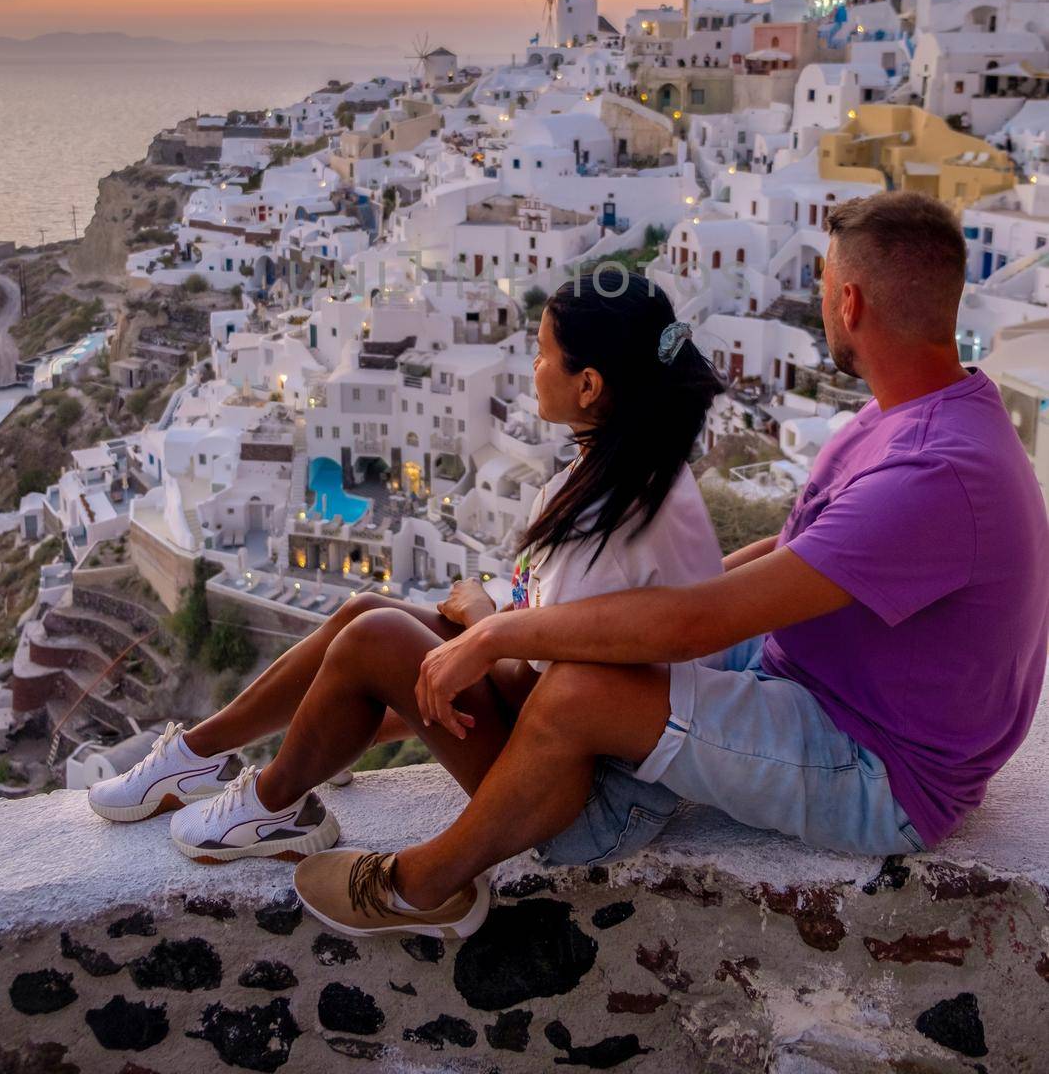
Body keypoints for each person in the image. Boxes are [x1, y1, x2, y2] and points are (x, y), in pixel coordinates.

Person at [294, 191, 1049, 941]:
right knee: (604, 637)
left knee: (580, 692)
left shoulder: (928, 470)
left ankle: (421, 886)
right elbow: (777, 561)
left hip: (880, 766)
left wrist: (495, 635)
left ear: (847, 301)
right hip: (821, 679)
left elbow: (696, 621)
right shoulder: (905, 417)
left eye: (822, 289)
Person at [88, 271, 724, 909]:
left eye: (544, 355)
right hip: (593, 758)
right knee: (366, 610)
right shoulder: (634, 471)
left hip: (586, 798)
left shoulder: (606, 517)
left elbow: (547, 690)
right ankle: (200, 752)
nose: (532, 368)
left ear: (589, 385)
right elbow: (552, 658)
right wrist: (414, 682)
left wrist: (476, 625)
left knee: (378, 635)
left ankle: (271, 806)